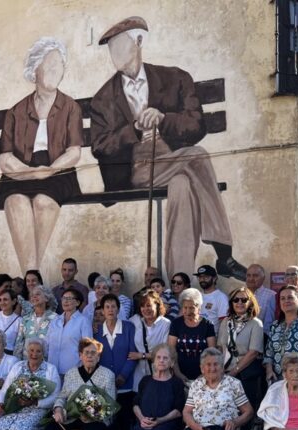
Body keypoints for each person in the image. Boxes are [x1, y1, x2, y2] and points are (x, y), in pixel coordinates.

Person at [90, 17, 245, 280]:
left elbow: (197, 125)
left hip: (173, 157)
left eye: (119, 45)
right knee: (197, 156)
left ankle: (179, 279)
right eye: (110, 47)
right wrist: (135, 129)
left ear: (139, 42)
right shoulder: (103, 97)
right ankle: (224, 253)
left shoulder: (174, 78)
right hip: (134, 169)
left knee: (182, 184)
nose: (113, 53)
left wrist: (163, 119)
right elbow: (100, 146)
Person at [0, 38, 83, 273]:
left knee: (43, 203)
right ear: (34, 71)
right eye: (48, 65)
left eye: (59, 65)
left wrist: (48, 170)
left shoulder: (71, 107)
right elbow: (6, 159)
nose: (55, 70)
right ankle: (33, 277)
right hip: (21, 171)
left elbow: (74, 152)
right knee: (15, 202)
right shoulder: (16, 112)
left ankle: (30, 277)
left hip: (59, 171)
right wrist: (30, 172)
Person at [95, 293, 138, 430]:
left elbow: (133, 355)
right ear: (103, 310)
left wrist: (123, 376)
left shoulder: (128, 328)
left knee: (124, 417)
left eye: (113, 306)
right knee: (107, 419)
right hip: (105, 385)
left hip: (125, 384)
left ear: (118, 309)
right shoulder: (97, 331)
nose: (110, 310)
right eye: (107, 307)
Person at [217, 287, 264, 411]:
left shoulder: (256, 324)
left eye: (244, 300)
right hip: (225, 372)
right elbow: (221, 347)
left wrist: (235, 371)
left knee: (244, 411)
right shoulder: (226, 322)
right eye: (236, 300)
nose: (239, 303)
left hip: (245, 374)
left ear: (250, 302)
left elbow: (253, 352)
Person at [167, 288, 216, 382]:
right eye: (185, 307)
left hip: (203, 376)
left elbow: (212, 352)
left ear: (199, 308)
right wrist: (178, 374)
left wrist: (203, 375)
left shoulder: (208, 325)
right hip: (179, 375)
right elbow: (171, 351)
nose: (188, 311)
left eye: (191, 308)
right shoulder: (176, 324)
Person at [128, 290, 171, 388]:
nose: (145, 309)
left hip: (159, 374)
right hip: (138, 377)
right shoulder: (134, 321)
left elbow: (165, 353)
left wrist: (142, 355)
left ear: (157, 305)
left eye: (149, 305)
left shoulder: (166, 324)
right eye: (142, 306)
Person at [47, 288, 92, 378]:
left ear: (77, 303)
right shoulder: (55, 320)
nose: (65, 301)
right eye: (63, 298)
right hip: (52, 370)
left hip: (73, 371)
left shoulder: (83, 321)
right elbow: (46, 343)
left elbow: (87, 347)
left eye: (69, 298)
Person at [13, 284, 58, 358]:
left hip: (46, 363)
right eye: (32, 295)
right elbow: (19, 343)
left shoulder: (55, 318)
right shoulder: (25, 319)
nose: (34, 297)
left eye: (38, 294)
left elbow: (56, 344)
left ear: (46, 298)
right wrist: (17, 363)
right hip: (26, 363)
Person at [193, 265, 228, 331]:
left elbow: (223, 323)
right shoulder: (197, 295)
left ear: (214, 278)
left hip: (212, 338)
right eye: (200, 277)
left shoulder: (221, 297)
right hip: (195, 337)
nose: (202, 279)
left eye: (206, 277)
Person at [0, 289, 21, 355]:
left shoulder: (19, 321)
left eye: (5, 299)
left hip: (9, 355)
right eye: (0, 300)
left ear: (14, 301)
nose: (2, 302)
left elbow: (19, 344)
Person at [245, 264, 276, 336]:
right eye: (248, 275)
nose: (251, 279)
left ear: (263, 278)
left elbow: (271, 323)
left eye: (255, 276)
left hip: (261, 338)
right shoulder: (239, 294)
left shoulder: (272, 296)